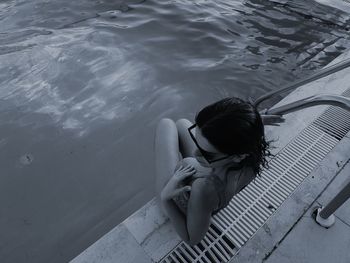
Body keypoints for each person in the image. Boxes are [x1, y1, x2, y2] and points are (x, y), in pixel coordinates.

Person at [154, 97, 284, 246]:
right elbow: (240, 135)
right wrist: (253, 122)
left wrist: (166, 199)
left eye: (207, 153)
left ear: (238, 155)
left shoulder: (204, 188)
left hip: (181, 201)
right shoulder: (250, 154)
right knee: (183, 123)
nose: (196, 153)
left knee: (166, 125)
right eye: (196, 140)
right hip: (215, 181)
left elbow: (192, 239)